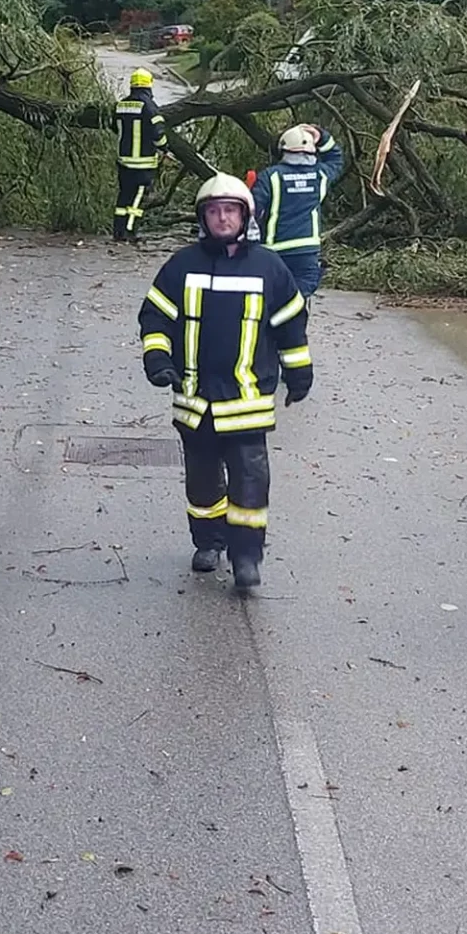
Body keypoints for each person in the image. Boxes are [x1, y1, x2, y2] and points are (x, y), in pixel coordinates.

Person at [138, 173, 312, 594]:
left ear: (245, 215)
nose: (222, 218)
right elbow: (155, 317)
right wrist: (157, 359)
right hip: (194, 400)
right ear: (203, 217)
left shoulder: (270, 267)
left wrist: (299, 373)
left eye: (229, 210)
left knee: (251, 481)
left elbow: (291, 326)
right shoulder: (182, 264)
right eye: (214, 211)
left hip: (247, 401)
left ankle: (247, 556)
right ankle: (209, 541)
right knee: (202, 481)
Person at [251, 124, 345, 298]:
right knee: (298, 300)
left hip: (273, 251)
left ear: (283, 149)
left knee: (270, 299)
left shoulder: (270, 176)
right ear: (312, 150)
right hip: (306, 252)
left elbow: (252, 212)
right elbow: (336, 159)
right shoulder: (320, 175)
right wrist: (322, 135)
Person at [113, 68, 166, 242]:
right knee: (138, 199)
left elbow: (113, 127)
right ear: (149, 85)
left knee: (124, 196)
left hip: (123, 162)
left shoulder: (121, 104)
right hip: (143, 164)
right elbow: (158, 133)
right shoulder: (149, 107)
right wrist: (164, 148)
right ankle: (129, 232)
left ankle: (118, 230)